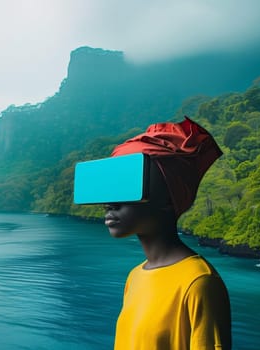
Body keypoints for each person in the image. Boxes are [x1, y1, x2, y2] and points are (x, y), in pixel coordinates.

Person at [105, 117, 231, 350]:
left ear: (167, 197)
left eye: (128, 187)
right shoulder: (134, 276)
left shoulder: (198, 282)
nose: (110, 203)